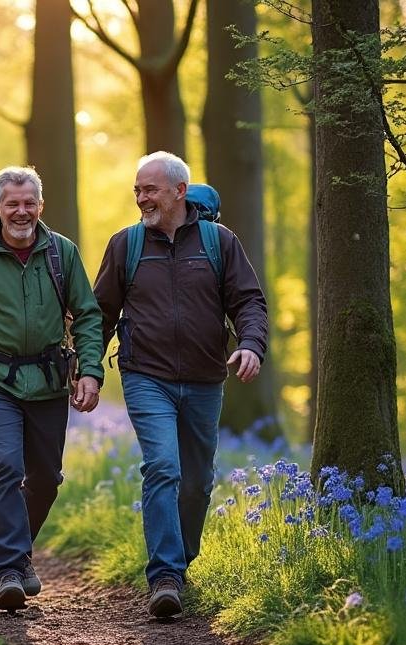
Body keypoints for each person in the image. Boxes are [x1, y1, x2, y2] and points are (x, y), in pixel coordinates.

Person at [93, 151, 269, 618]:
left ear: (179, 191)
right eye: (137, 189)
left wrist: (251, 343)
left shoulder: (219, 242)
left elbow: (248, 300)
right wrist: (88, 369)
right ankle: (165, 576)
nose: (141, 198)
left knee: (197, 483)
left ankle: (182, 561)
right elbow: (101, 315)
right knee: (163, 467)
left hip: (205, 378)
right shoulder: (126, 245)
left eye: (149, 189)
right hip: (145, 375)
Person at [0, 166, 104, 611]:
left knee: (47, 479)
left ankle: (19, 550)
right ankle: (9, 571)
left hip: (51, 381)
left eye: (28, 203)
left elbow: (87, 315)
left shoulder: (62, 253)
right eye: (11, 203)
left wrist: (90, 371)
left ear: (40, 206)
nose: (21, 211)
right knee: (7, 468)